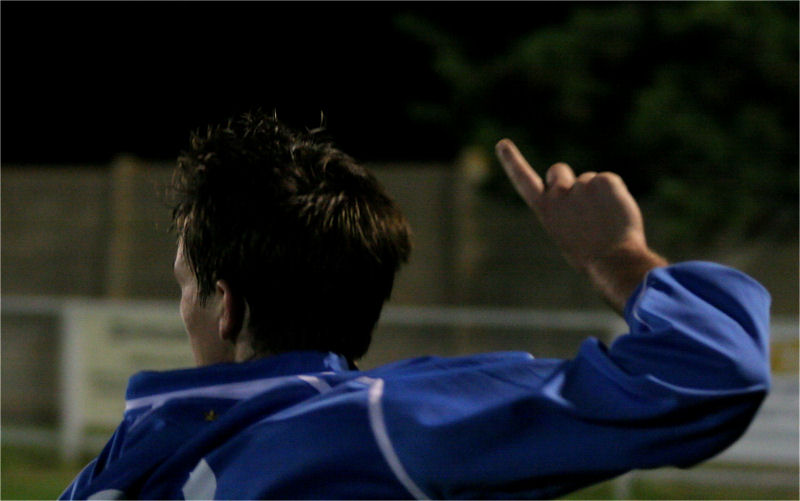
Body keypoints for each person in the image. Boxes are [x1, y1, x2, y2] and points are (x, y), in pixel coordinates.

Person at [61, 111, 771, 500]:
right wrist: (615, 256)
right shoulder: (380, 424)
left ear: (226, 305)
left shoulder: (138, 454)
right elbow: (711, 372)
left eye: (183, 283)